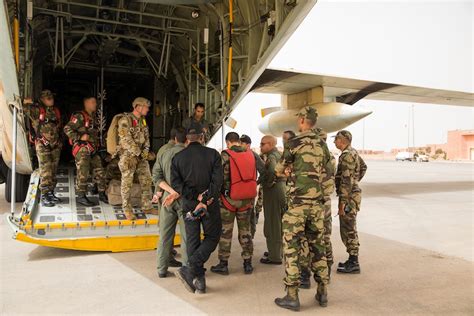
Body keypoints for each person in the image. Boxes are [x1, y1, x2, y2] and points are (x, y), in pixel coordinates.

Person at [274, 107, 329, 311]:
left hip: (297, 206)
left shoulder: (294, 143)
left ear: (303, 120)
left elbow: (278, 169)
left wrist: (289, 172)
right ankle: (322, 292)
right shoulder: (322, 144)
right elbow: (327, 171)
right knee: (318, 249)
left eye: (299, 119)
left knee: (292, 249)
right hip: (316, 206)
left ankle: (292, 296)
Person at [170, 124, 223, 294]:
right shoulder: (213, 155)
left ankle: (198, 281)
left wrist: (194, 196)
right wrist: (205, 199)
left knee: (192, 240)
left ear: (187, 139)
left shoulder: (178, 157)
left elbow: (176, 185)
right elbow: (217, 181)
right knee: (213, 236)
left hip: (189, 205)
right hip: (209, 204)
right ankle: (191, 266)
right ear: (202, 137)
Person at [210, 132, 257, 276]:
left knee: (226, 231)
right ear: (238, 141)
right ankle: (248, 263)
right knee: (246, 231)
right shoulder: (251, 154)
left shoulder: (225, 156)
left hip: (228, 200)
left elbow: (219, 179)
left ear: (228, 142)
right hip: (247, 200)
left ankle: (223, 264)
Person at [298, 128, 336, 288]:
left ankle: (305, 276)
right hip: (325, 202)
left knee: (305, 239)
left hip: (309, 202)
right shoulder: (331, 158)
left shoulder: (309, 156)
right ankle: (325, 271)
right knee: (324, 237)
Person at [153, 128, 188, 278]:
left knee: (165, 235)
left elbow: (156, 177)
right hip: (184, 198)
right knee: (187, 236)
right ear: (186, 140)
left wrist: (169, 192)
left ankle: (161, 269)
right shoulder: (189, 155)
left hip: (167, 198)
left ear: (175, 139)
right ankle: (187, 269)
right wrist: (178, 193)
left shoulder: (164, 153)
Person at [333, 130, 367, 274]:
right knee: (350, 227)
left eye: (336, 140)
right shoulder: (353, 152)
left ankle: (354, 262)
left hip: (348, 199)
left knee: (349, 229)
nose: (334, 142)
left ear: (343, 140)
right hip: (353, 195)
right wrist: (356, 182)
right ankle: (352, 259)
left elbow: (346, 181)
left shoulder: (347, 155)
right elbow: (364, 167)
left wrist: (343, 203)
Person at [64, 96, 108, 206]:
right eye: (92, 102)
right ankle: (81, 196)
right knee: (83, 172)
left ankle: (102, 193)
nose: (95, 104)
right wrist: (79, 137)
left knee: (100, 170)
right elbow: (67, 129)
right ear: (86, 103)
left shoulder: (93, 117)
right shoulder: (79, 116)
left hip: (93, 149)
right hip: (82, 149)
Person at [23, 89, 62, 207]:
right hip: (42, 144)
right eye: (48, 98)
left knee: (53, 170)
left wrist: (59, 142)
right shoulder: (36, 110)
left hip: (55, 145)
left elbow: (59, 126)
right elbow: (22, 107)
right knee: (45, 170)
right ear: (42, 99)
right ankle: (44, 195)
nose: (51, 99)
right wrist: (26, 102)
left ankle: (50, 192)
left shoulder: (55, 111)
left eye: (51, 97)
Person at [117, 97, 153, 220]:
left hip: (141, 156)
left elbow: (147, 138)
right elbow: (126, 140)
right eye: (146, 107)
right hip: (129, 157)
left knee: (147, 180)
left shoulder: (142, 120)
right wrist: (139, 153)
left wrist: (145, 152)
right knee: (127, 183)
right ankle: (127, 209)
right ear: (138, 107)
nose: (148, 109)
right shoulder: (125, 120)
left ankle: (147, 206)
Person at [259, 135, 286, 264]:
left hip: (273, 191)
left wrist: (268, 183)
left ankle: (274, 256)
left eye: (262, 144)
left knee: (272, 223)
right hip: (281, 189)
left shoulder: (271, 157)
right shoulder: (280, 154)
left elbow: (272, 172)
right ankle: (278, 251)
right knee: (279, 222)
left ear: (270, 144)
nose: (261, 146)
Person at [239, 134, 267, 239]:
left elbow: (263, 171)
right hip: (236, 192)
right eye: (239, 142)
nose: (240, 145)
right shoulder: (234, 153)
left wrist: (256, 183)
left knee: (250, 216)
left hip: (248, 192)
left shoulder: (254, 155)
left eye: (242, 143)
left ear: (248, 145)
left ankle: (250, 237)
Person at [151, 128, 178, 215]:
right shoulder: (175, 151)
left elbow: (158, 173)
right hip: (171, 191)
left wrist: (157, 192)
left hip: (163, 190)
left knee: (163, 221)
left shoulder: (163, 149)